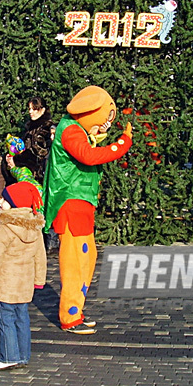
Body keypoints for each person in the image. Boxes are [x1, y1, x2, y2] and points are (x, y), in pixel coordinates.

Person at [42, 86, 133, 334]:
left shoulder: (76, 129)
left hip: (80, 205)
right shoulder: (70, 130)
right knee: (75, 261)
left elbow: (89, 142)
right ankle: (69, 316)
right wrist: (121, 144)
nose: (105, 124)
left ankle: (76, 310)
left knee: (87, 257)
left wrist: (100, 133)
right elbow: (88, 156)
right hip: (71, 204)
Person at [0, 181, 47, 370]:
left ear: (15, 204)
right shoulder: (35, 227)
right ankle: (23, 355)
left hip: (5, 284)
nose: (1, 202)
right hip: (24, 285)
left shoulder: (3, 227)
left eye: (5, 199)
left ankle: (9, 357)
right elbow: (40, 257)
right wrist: (39, 280)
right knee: (22, 318)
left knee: (6, 319)